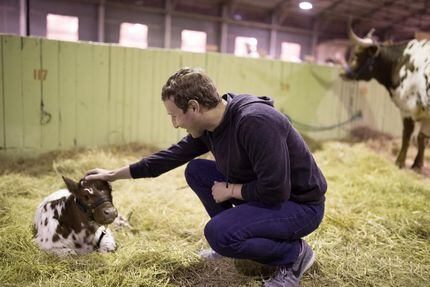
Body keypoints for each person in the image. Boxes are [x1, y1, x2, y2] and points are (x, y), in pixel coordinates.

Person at [85, 67, 327, 287]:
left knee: (218, 234)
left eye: (174, 115)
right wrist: (112, 175)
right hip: (266, 196)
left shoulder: (255, 121)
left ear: (194, 107)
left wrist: (231, 190)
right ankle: (232, 240)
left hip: (299, 206)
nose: (174, 124)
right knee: (197, 171)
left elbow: (276, 191)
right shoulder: (211, 127)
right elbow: (168, 158)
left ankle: (294, 255)